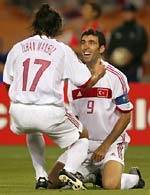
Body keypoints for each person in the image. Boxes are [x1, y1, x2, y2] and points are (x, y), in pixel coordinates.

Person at [3, 4, 105, 190]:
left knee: (32, 131)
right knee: (83, 136)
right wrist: (97, 74)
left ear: (35, 24)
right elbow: (84, 83)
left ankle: (41, 176)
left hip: (18, 110)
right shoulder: (61, 49)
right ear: (57, 27)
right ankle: (69, 170)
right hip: (49, 110)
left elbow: (7, 83)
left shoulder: (17, 48)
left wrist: (24, 100)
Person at [47, 29, 145, 190]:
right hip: (83, 145)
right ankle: (93, 175)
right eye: (83, 42)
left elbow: (126, 116)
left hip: (110, 143)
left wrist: (105, 146)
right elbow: (75, 115)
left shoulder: (115, 76)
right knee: (52, 183)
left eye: (92, 43)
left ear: (101, 49)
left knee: (111, 185)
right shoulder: (74, 78)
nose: (86, 47)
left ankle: (134, 178)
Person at [106, 2, 148, 82]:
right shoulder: (117, 30)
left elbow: (142, 48)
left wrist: (131, 56)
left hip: (133, 68)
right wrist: (110, 57)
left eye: (129, 12)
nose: (127, 14)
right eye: (125, 12)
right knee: (117, 92)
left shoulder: (140, 30)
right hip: (117, 68)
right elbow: (110, 47)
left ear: (134, 14)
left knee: (133, 91)